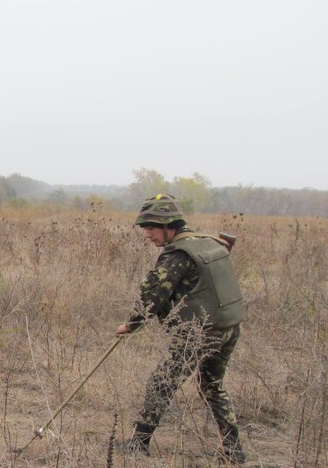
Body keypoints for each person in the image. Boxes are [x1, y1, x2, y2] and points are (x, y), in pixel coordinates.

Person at [116, 194, 246, 464]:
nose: (147, 235)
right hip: (229, 328)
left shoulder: (178, 254)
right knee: (212, 386)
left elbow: (153, 296)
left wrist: (131, 325)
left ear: (169, 225)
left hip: (199, 333)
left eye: (151, 227)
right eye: (145, 228)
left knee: (161, 383)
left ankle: (139, 445)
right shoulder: (209, 242)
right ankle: (233, 450)